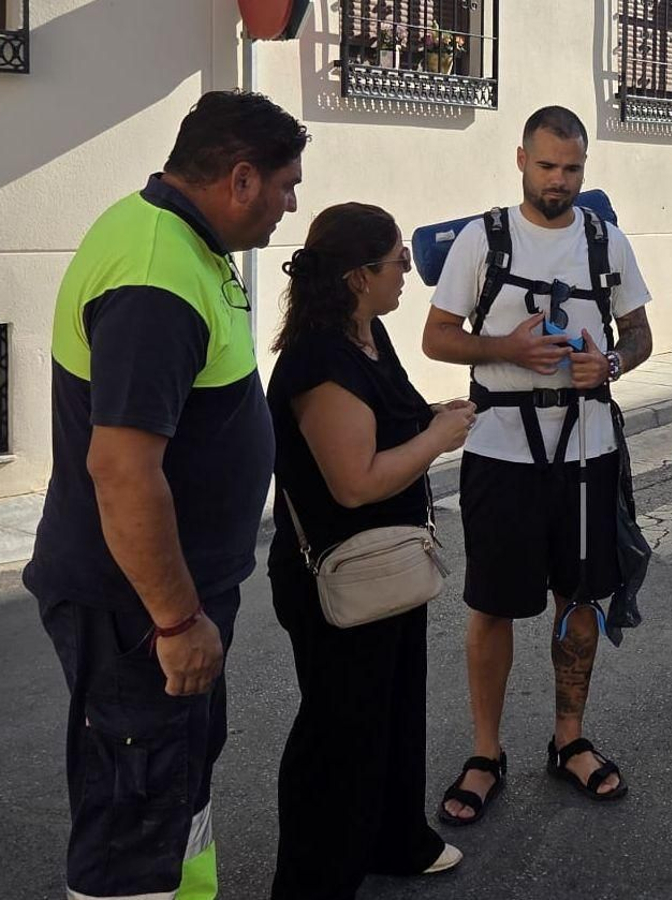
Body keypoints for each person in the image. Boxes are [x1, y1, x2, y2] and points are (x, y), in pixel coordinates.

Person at [24, 91, 307, 900]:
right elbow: (121, 470)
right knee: (133, 815)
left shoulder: (182, 241)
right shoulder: (156, 279)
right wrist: (178, 621)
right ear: (241, 179)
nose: (292, 204)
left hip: (163, 596)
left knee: (171, 786)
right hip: (137, 608)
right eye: (287, 185)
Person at [421, 105, 654, 822]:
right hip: (501, 453)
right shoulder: (481, 241)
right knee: (491, 606)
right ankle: (486, 752)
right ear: (521, 158)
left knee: (580, 599)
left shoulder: (603, 239)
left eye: (572, 168)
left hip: (588, 451)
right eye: (547, 165)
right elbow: (436, 338)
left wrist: (610, 362)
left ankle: (569, 740)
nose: (558, 180)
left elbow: (639, 334)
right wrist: (507, 351)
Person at [266, 203, 477, 897]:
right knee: (339, 732)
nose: (408, 274)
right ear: (359, 276)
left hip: (390, 564)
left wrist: (437, 418)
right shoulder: (320, 360)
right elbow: (354, 484)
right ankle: (315, 881)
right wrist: (436, 441)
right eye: (398, 263)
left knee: (391, 712)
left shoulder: (368, 335)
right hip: (340, 575)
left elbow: (394, 421)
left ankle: (395, 842)